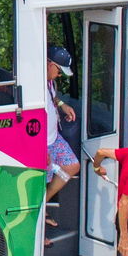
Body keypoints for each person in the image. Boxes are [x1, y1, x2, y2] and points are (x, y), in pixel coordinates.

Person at [44, 46, 80, 227]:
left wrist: (62, 105)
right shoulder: (34, 84)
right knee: (39, 182)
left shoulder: (50, 82)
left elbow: (54, 98)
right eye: (58, 71)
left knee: (72, 166)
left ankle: (43, 202)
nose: (59, 75)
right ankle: (39, 223)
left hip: (54, 137)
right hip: (41, 142)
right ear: (48, 64)